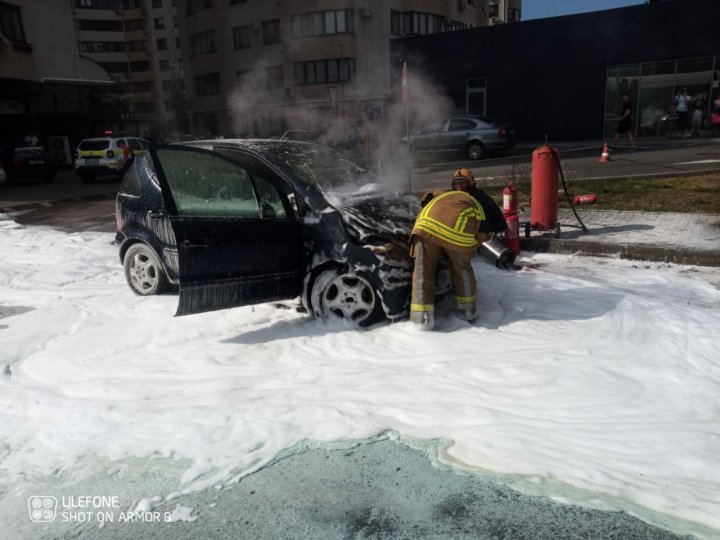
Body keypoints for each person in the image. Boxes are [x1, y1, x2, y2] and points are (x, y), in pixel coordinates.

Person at [409, 168, 488, 330]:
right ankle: (467, 312)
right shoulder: (476, 199)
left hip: (423, 228)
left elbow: (424, 200)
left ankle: (420, 320)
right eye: (457, 183)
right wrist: (474, 245)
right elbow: (484, 228)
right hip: (452, 234)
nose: (459, 186)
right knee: (462, 268)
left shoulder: (441, 195)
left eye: (461, 183)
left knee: (422, 271)